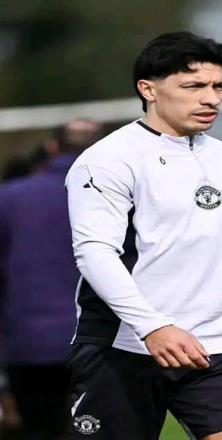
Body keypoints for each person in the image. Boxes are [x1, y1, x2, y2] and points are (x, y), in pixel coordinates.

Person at [65, 31, 222, 440]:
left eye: (219, 86)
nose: (211, 98)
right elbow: (95, 253)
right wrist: (153, 327)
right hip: (125, 347)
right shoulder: (107, 160)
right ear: (149, 89)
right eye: (194, 86)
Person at [0, 119, 104, 439]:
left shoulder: (9, 198)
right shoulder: (122, 197)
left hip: (28, 342)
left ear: (51, 146)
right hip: (103, 343)